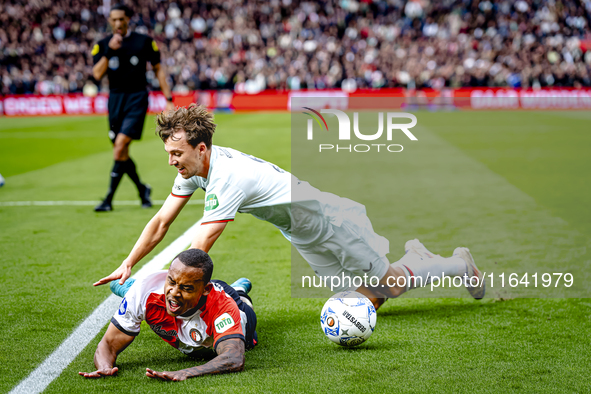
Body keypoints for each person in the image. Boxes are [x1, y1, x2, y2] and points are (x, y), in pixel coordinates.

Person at [95, 105, 485, 309]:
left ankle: (456, 262)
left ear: (200, 148)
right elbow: (162, 220)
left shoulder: (228, 176)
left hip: (330, 222)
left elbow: (201, 244)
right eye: (169, 153)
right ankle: (410, 261)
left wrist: (165, 286)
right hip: (303, 233)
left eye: (176, 153)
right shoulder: (196, 169)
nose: (171, 162)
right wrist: (130, 263)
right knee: (351, 302)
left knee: (392, 286)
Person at [80, 249, 257, 381]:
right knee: (125, 288)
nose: (174, 293)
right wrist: (104, 367)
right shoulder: (145, 292)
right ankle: (126, 287)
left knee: (245, 318)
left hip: (232, 302)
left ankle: (239, 290)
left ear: (205, 290)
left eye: (185, 288)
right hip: (184, 293)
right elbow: (109, 345)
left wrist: (185, 372)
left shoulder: (223, 308)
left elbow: (233, 358)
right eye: (170, 281)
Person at [91, 4, 175, 212]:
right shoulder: (102, 45)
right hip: (115, 101)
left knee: (119, 146)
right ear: (110, 21)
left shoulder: (144, 41)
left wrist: (169, 99)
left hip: (137, 99)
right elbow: (96, 74)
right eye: (114, 20)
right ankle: (142, 190)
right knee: (121, 152)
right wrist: (110, 50)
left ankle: (108, 200)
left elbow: (158, 70)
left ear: (128, 19)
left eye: (121, 19)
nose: (118, 23)